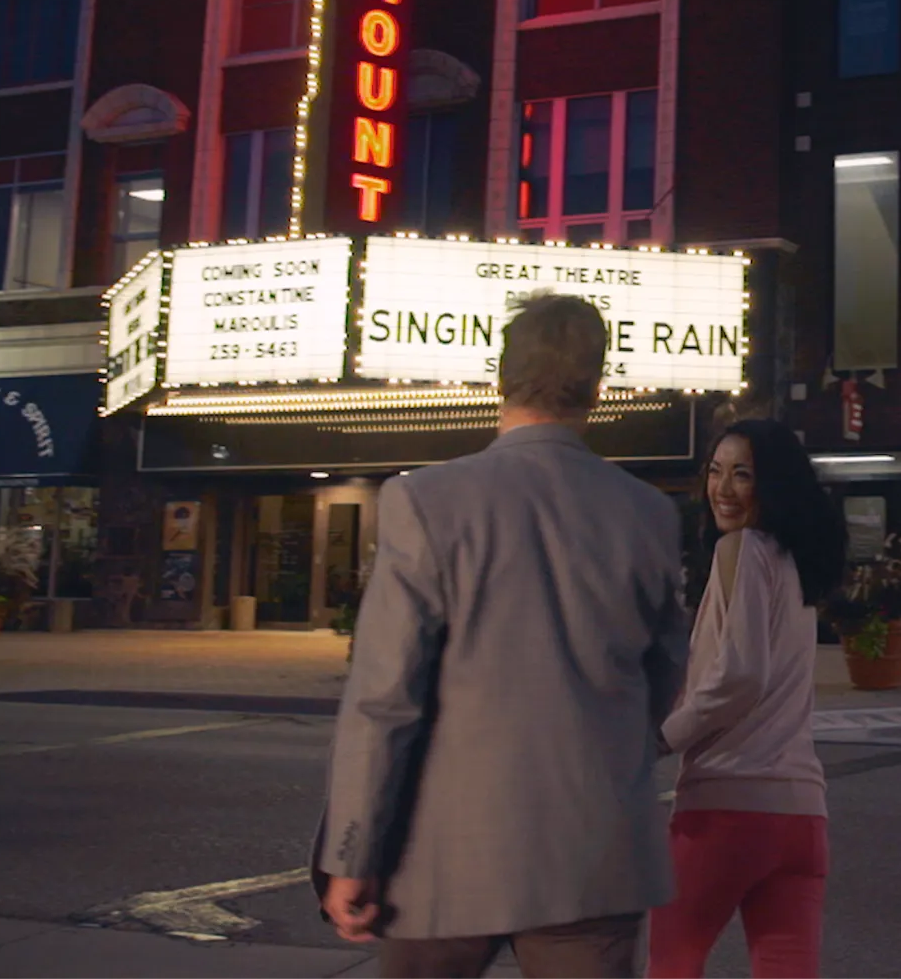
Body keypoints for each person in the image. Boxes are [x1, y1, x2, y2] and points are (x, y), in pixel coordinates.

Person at [315, 294, 690, 979]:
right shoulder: (648, 513)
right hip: (595, 848)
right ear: (598, 389)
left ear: (499, 379)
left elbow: (385, 698)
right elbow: (667, 677)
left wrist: (352, 854)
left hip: (446, 853)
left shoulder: (425, 501)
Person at [648, 419, 848, 979]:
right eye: (715, 471)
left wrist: (663, 738)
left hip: (728, 805)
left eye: (743, 475)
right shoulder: (797, 565)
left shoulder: (742, 549)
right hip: (803, 816)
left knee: (673, 963)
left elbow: (740, 675)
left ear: (772, 485)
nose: (723, 489)